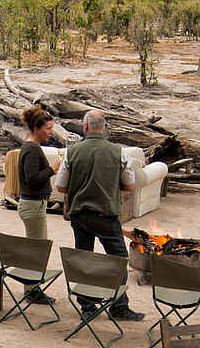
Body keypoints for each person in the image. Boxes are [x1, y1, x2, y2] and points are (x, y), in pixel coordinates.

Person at [54, 110, 145, 321]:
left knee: (84, 257)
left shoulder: (72, 152)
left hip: (80, 215)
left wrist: (81, 190)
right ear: (102, 128)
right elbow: (130, 185)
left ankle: (87, 305)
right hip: (106, 215)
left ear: (85, 127)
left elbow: (60, 186)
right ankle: (119, 305)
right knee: (119, 260)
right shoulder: (118, 152)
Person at [16, 106, 60, 305]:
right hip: (33, 205)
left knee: (36, 247)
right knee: (37, 249)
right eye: (48, 128)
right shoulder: (32, 149)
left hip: (33, 205)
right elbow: (32, 179)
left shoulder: (30, 147)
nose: (50, 132)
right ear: (36, 128)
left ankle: (32, 288)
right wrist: (53, 169)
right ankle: (32, 290)